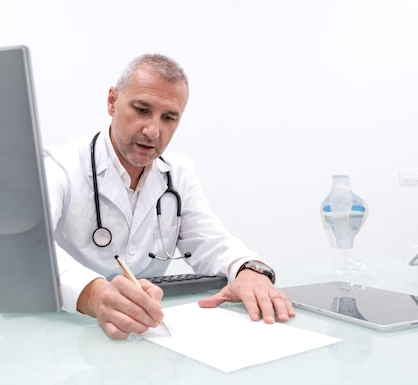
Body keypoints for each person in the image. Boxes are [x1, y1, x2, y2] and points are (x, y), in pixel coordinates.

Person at [44, 53, 295, 339]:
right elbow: (30, 251)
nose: (153, 131)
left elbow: (211, 242)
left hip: (147, 334)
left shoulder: (178, 173)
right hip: (66, 335)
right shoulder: (60, 167)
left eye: (168, 117)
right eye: (141, 110)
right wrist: (94, 294)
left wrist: (248, 270)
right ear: (112, 101)